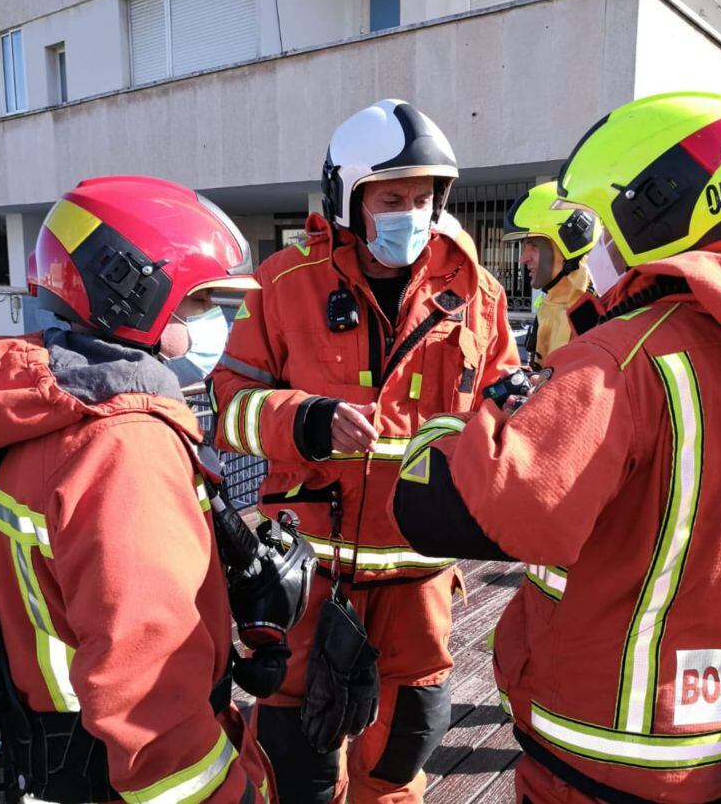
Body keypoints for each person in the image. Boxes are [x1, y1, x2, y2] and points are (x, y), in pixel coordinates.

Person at [392, 92, 721, 803]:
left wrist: (451, 429)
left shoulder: (625, 356)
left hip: (589, 760)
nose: (591, 248)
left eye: (598, 226)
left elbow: (468, 508)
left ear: (653, 212)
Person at [0, 176, 276, 803]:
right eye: (202, 303)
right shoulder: (124, 447)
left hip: (53, 757)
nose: (216, 324)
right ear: (137, 295)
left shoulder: (41, 405)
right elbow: (148, 692)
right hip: (116, 775)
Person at [209, 98, 519, 804]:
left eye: (423, 197)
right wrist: (308, 419)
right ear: (348, 197)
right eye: (393, 197)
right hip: (309, 581)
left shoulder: (476, 293)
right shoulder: (281, 284)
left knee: (399, 764)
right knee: (300, 769)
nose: (412, 212)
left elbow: (502, 399)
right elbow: (230, 405)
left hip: (421, 584)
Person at [502, 181, 599, 367]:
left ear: (570, 244)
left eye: (535, 246)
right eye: (524, 247)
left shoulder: (596, 313)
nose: (523, 259)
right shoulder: (550, 304)